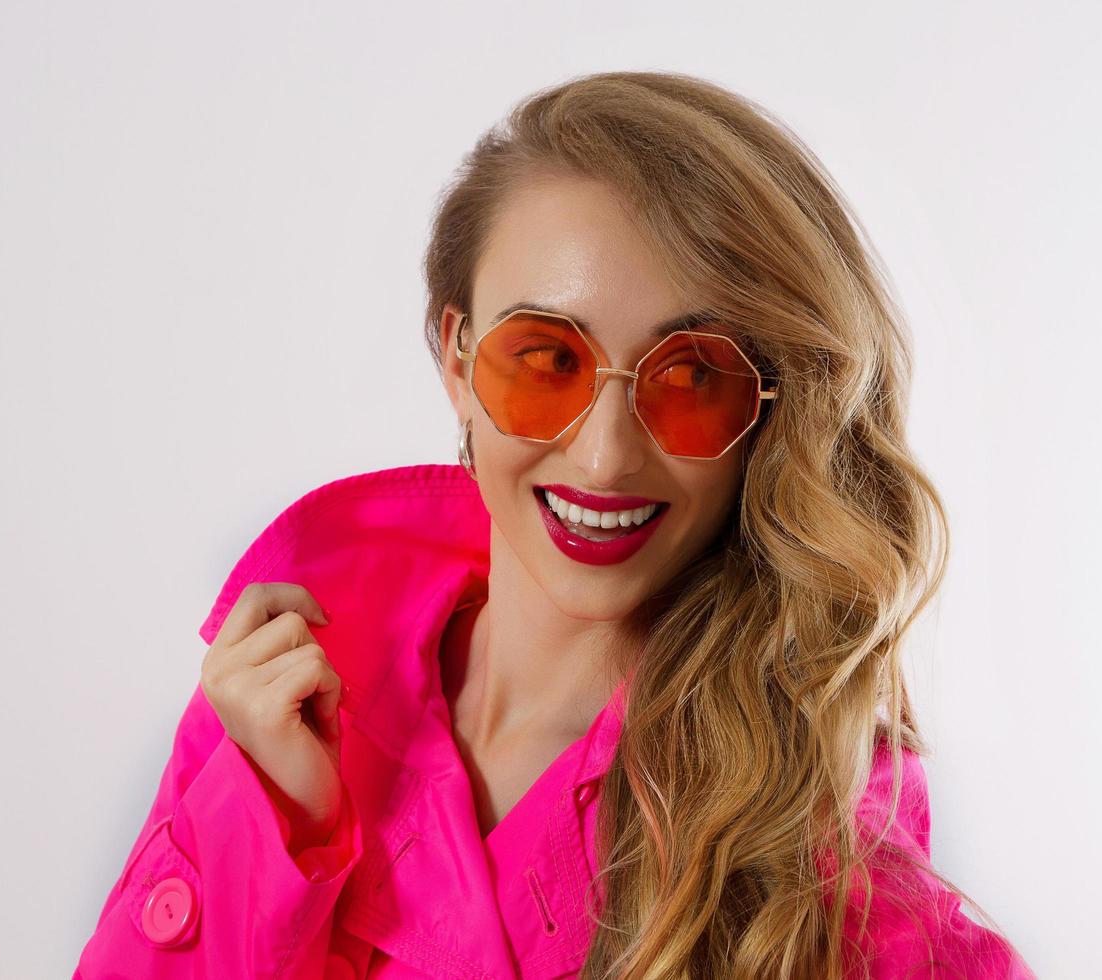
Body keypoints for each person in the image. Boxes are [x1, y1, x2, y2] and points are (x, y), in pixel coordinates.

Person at [74, 70, 1036, 979]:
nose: (607, 454)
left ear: (770, 412)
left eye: (694, 375)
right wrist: (275, 825)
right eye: (546, 361)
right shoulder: (277, 709)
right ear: (455, 359)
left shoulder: (815, 857)